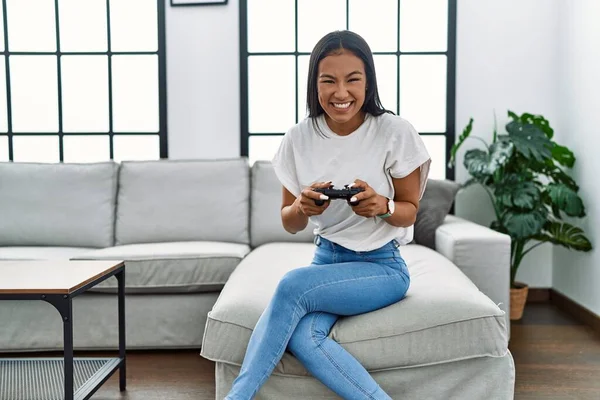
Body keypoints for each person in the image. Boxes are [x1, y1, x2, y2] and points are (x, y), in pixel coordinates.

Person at [225, 30, 431, 400]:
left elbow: (409, 211)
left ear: (368, 82)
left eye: (353, 80)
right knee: (305, 337)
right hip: (326, 262)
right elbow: (290, 222)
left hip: (382, 267)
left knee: (291, 285)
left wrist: (382, 207)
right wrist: (303, 206)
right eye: (328, 81)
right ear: (313, 84)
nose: (341, 93)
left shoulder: (394, 131)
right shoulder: (298, 138)